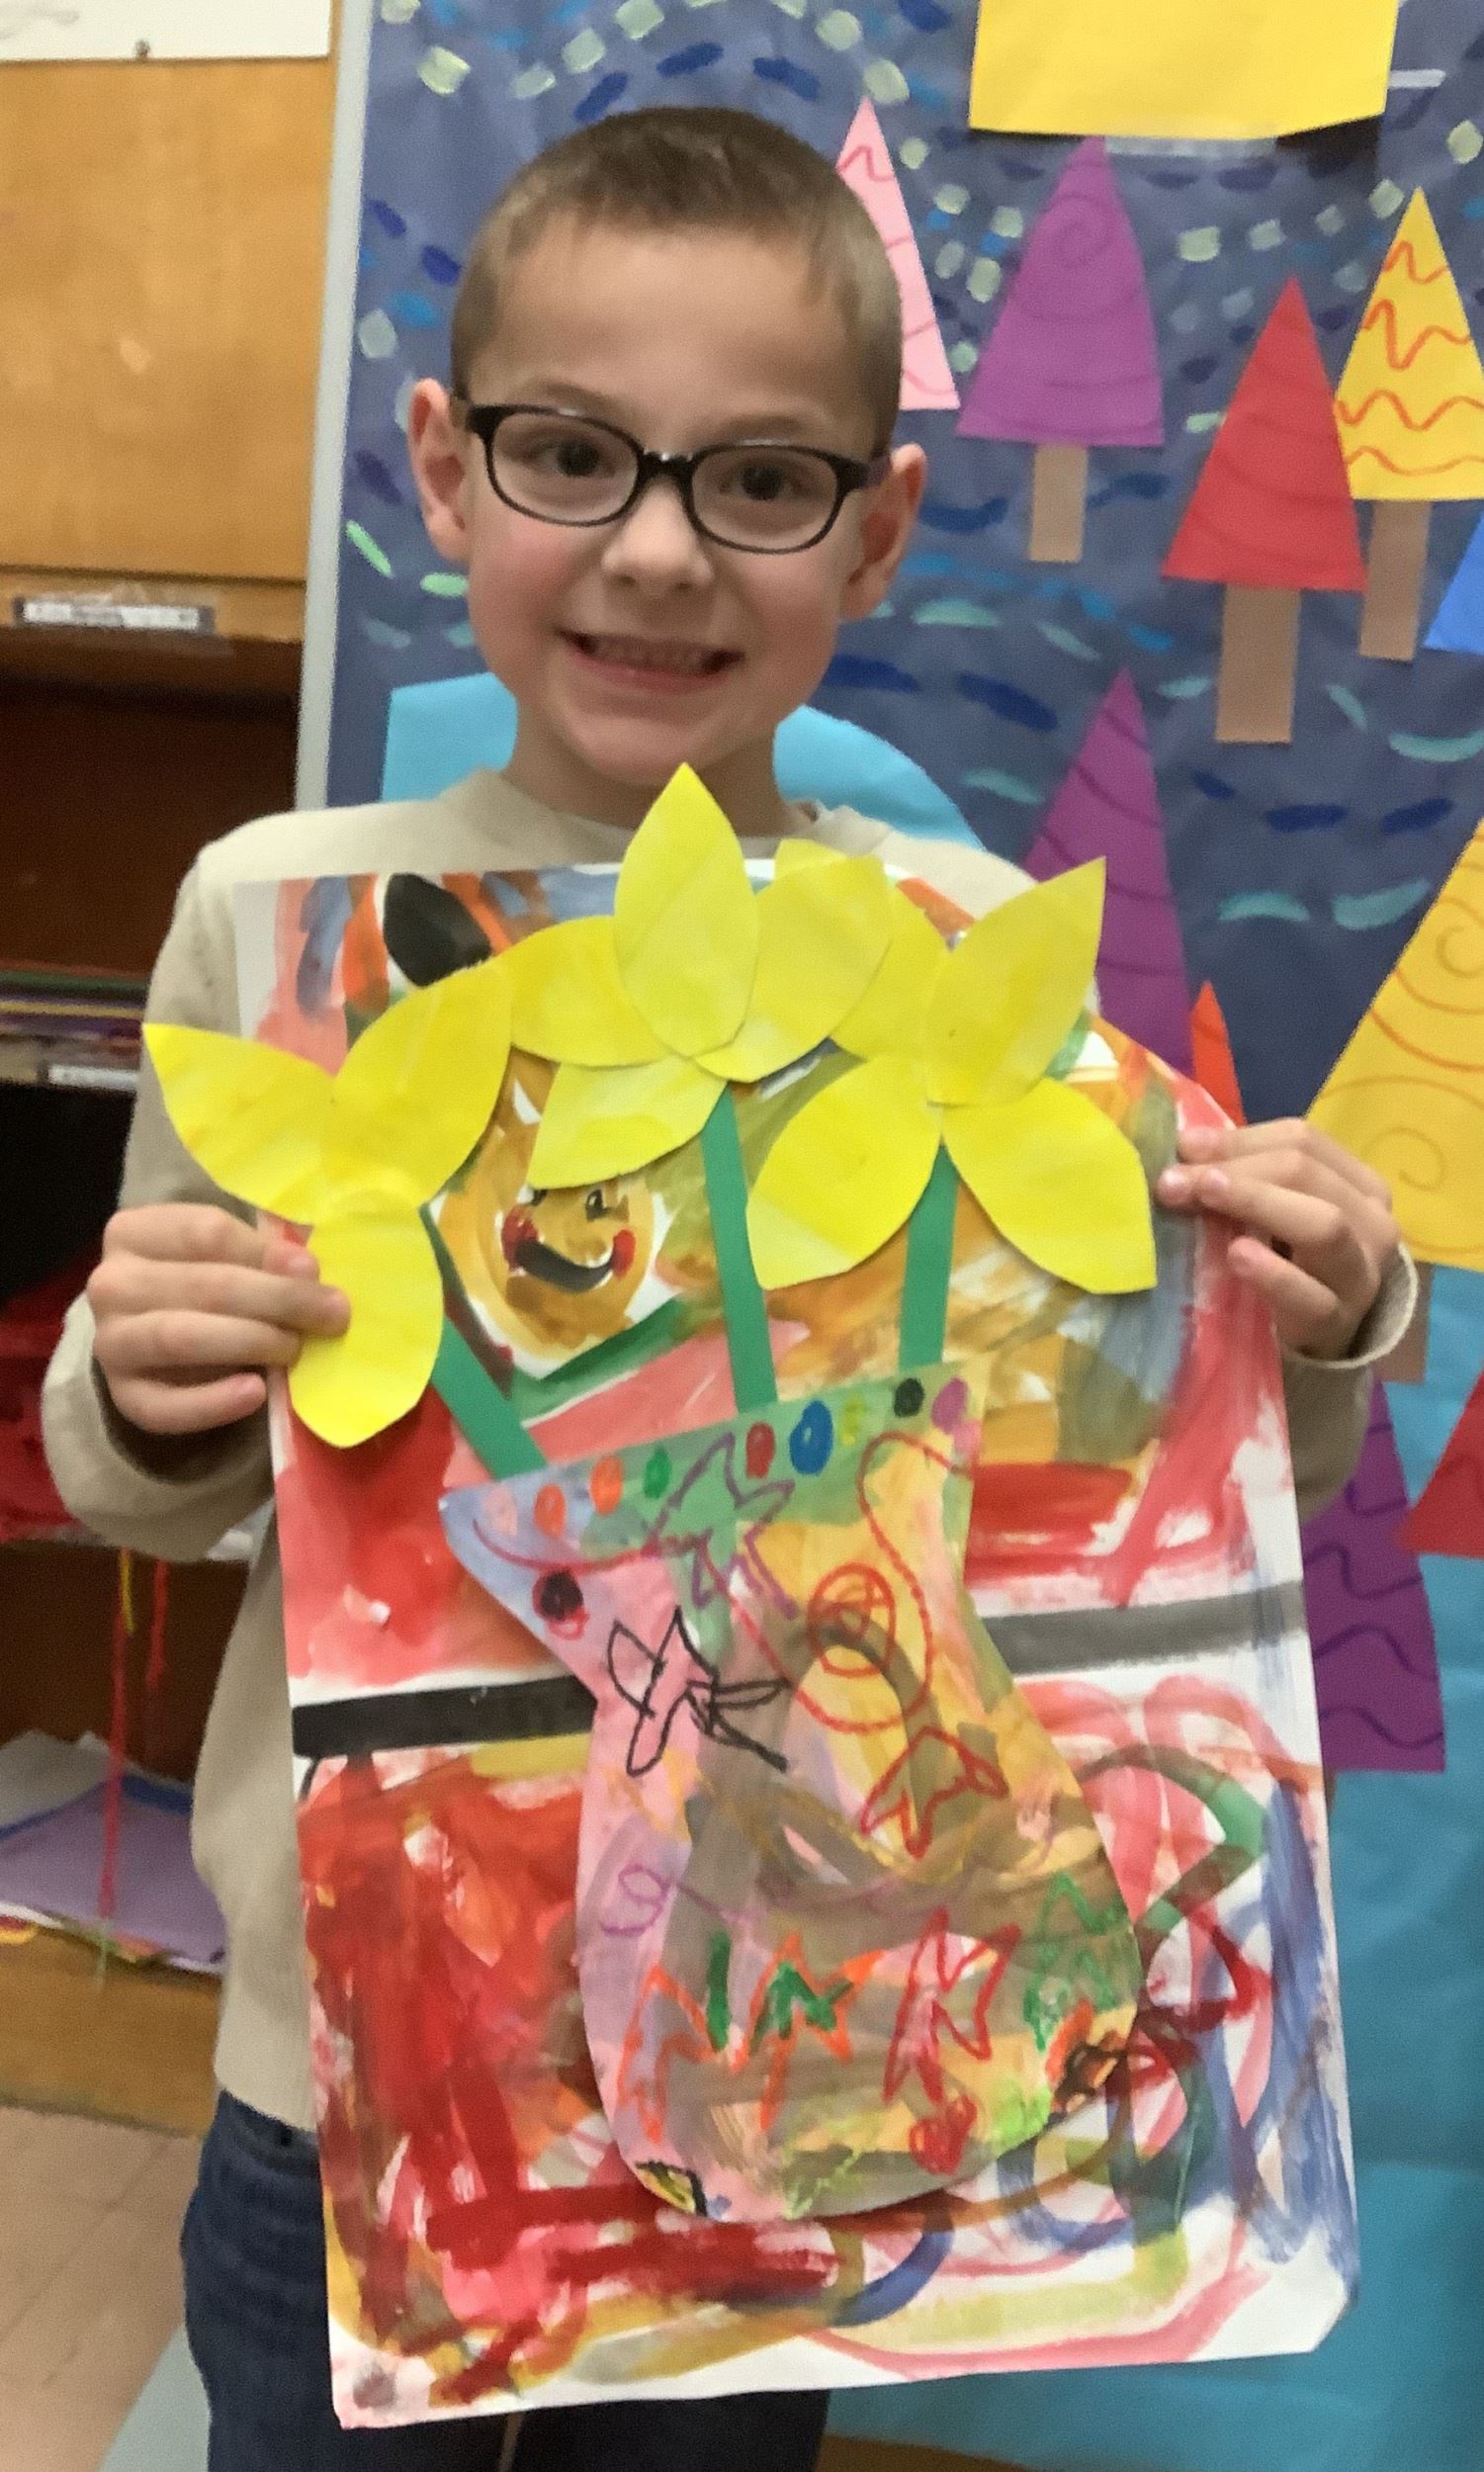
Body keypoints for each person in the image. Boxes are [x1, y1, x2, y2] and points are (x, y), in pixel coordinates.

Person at [44, 104, 1412, 2472]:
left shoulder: (952, 952)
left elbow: (1154, 1442)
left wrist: (1324, 1311)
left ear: (873, 526)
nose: (660, 548)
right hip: (351, 2044)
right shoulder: (277, 926)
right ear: (445, 467)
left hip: (820, 2035)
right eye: (574, 454)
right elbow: (170, 1484)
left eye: (760, 480)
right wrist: (143, 1379)